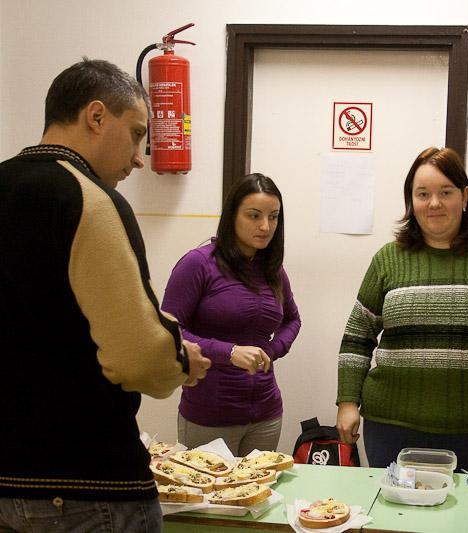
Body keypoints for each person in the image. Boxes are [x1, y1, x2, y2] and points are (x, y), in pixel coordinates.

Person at [0, 58, 211, 532]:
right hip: (87, 484)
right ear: (96, 116)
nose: (139, 158)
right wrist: (180, 360)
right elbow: (140, 358)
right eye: (136, 135)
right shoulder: (89, 199)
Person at [336, 147, 468, 472]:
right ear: (411, 201)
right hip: (392, 429)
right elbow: (357, 337)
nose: (434, 203)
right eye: (423, 194)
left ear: (464, 196)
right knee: (396, 507)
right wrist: (347, 402)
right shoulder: (387, 260)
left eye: (446, 192)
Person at [162, 173, 301, 456]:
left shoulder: (273, 270)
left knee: (260, 485)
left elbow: (292, 319)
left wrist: (271, 350)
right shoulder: (198, 263)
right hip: (209, 414)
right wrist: (230, 352)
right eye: (254, 215)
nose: (265, 226)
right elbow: (167, 332)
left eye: (274, 217)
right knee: (208, 486)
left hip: (265, 415)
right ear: (232, 215)